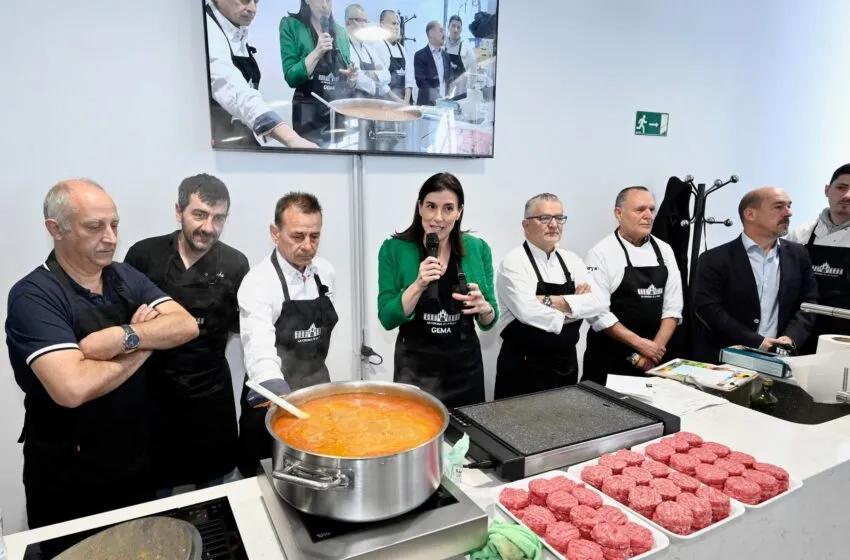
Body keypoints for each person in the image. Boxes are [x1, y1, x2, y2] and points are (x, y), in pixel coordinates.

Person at [5, 179, 198, 533]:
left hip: (134, 460)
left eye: (114, 225)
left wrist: (121, 337)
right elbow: (72, 388)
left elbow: (186, 325)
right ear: (55, 229)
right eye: (94, 227)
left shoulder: (124, 276)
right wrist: (146, 343)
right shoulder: (33, 297)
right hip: (69, 476)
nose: (110, 238)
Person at [124, 174, 250, 495]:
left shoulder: (235, 264)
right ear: (178, 212)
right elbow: (123, 324)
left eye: (218, 218)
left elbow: (242, 325)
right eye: (200, 214)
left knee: (215, 497)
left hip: (210, 399)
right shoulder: (144, 256)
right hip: (154, 400)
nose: (209, 227)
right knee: (154, 500)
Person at [236, 193, 338, 477]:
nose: (307, 246)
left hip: (316, 394)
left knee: (320, 474)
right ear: (275, 233)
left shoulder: (326, 272)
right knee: (269, 481)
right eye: (297, 236)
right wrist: (279, 393)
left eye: (314, 236)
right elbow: (258, 345)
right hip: (271, 399)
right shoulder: (258, 283)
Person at [378, 173, 498, 408]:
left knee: (467, 441)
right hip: (415, 371)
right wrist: (418, 284)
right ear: (420, 206)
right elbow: (387, 318)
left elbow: (490, 317)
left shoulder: (478, 249)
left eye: (448, 208)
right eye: (431, 206)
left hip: (465, 370)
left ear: (459, 212)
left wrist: (484, 308)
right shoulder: (394, 249)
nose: (438, 218)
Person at [494, 194, 606, 399]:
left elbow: (600, 302)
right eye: (545, 218)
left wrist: (545, 300)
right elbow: (528, 313)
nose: (554, 225)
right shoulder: (513, 262)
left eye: (559, 218)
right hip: (523, 369)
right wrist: (577, 307)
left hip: (566, 365)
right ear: (525, 225)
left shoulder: (572, 260)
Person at [692, 188, 819, 362]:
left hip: (781, 357)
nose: (788, 213)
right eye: (778, 206)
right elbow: (708, 307)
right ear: (750, 214)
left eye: (789, 206)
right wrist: (756, 341)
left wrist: (790, 338)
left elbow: (809, 302)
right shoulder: (714, 258)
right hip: (725, 357)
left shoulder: (799, 254)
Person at [583, 187, 683, 385]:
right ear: (618, 213)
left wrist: (654, 350)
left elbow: (673, 308)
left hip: (654, 359)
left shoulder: (664, 250)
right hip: (609, 358)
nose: (649, 216)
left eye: (652, 209)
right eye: (640, 210)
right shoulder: (601, 253)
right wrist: (640, 345)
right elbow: (598, 313)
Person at [205, 0, 316, 149]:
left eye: (256, 1)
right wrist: (292, 139)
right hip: (213, 142)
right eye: (244, 0)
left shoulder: (238, 29)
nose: (252, 9)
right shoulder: (206, 31)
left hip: (238, 134)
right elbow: (235, 91)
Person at [785, 164, 850, 354]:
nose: (847, 195)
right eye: (841, 187)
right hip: (797, 333)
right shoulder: (800, 234)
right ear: (827, 190)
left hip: (844, 339)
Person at [279, 0, 358, 137]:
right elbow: (291, 77)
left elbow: (346, 82)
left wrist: (351, 79)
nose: (325, 5)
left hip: (337, 113)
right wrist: (317, 52)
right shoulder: (291, 25)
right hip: (307, 115)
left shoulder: (341, 32)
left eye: (329, 0)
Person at [344, 4, 395, 100]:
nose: (364, 25)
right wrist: (375, 83)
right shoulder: (345, 47)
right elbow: (357, 78)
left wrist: (372, 75)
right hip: (352, 105)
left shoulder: (368, 50)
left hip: (370, 105)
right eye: (359, 20)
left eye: (365, 21)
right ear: (347, 22)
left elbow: (387, 75)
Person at [377, 10, 415, 103]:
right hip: (385, 105)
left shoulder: (401, 49)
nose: (397, 27)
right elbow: (381, 85)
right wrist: (399, 102)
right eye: (393, 24)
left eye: (398, 24)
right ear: (382, 25)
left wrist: (405, 101)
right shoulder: (377, 47)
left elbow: (409, 80)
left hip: (402, 103)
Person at [414, 21, 454, 106]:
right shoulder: (420, 55)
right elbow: (421, 82)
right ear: (431, 33)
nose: (444, 34)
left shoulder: (446, 56)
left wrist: (450, 97)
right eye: (441, 31)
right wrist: (437, 98)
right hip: (427, 106)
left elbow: (450, 79)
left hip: (445, 105)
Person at [444, 15, 478, 97]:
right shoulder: (441, 48)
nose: (455, 30)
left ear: (461, 30)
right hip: (441, 95)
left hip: (458, 96)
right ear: (448, 27)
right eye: (453, 26)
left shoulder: (468, 52)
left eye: (458, 27)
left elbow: (474, 77)